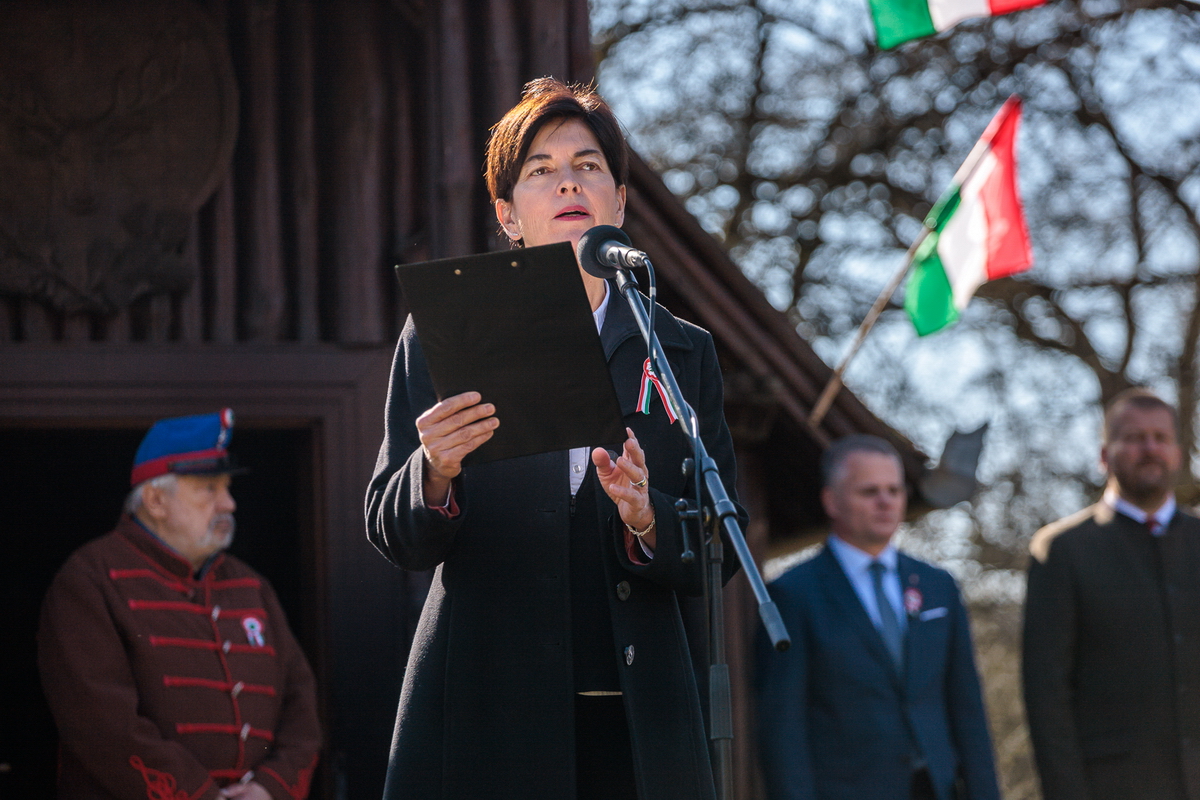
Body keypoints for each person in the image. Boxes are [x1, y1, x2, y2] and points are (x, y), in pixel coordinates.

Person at [364, 77, 744, 800]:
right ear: (508, 215)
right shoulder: (449, 329)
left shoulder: (679, 350)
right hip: (488, 713)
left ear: (619, 202)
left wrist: (648, 517)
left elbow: (722, 541)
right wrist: (435, 471)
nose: (568, 182)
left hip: (641, 726)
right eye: (540, 170)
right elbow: (392, 528)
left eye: (587, 165)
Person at [38, 409, 322, 800]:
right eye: (209, 489)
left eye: (227, 488)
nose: (228, 504)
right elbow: (100, 722)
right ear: (156, 500)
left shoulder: (252, 586)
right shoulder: (90, 579)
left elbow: (300, 704)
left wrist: (269, 788)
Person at [756, 435, 1000, 800]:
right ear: (831, 501)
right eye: (869, 492)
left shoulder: (938, 586)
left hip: (940, 789)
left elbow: (967, 709)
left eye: (894, 490)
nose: (885, 501)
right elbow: (783, 728)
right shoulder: (792, 594)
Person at [1023, 388, 1200, 800]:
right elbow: (1047, 697)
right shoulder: (1062, 550)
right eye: (1134, 438)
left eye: (1161, 438)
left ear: (1178, 452)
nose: (1150, 449)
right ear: (1105, 455)